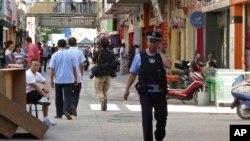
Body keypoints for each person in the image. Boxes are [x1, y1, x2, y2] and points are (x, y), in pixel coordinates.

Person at [123, 31, 172, 141]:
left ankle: (159, 137)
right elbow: (133, 73)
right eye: (151, 41)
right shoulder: (139, 56)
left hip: (160, 94)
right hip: (146, 94)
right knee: (147, 118)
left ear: (159, 43)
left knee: (162, 118)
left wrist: (160, 52)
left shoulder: (162, 56)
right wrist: (127, 89)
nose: (153, 44)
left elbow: (169, 65)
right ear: (147, 41)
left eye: (156, 42)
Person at [49, 39, 78, 120]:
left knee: (58, 97)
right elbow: (74, 68)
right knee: (68, 96)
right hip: (69, 79)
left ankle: (59, 114)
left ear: (57, 45)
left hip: (58, 79)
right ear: (66, 45)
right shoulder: (71, 54)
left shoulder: (54, 55)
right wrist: (76, 79)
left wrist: (51, 81)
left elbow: (52, 69)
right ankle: (66, 110)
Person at [26, 59, 56, 126]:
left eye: (38, 65)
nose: (36, 67)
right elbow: (36, 86)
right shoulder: (28, 74)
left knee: (46, 90)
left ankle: (46, 118)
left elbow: (45, 81)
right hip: (27, 94)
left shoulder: (37, 73)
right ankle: (43, 99)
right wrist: (45, 95)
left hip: (34, 92)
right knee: (42, 94)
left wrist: (46, 87)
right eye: (35, 65)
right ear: (30, 65)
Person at [92, 37, 116, 111]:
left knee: (98, 90)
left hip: (99, 74)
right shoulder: (111, 54)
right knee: (105, 91)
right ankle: (103, 105)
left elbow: (93, 61)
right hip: (108, 75)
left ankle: (102, 100)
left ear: (101, 45)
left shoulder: (98, 52)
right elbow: (114, 64)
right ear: (108, 45)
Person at [68, 37, 86, 116]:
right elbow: (82, 65)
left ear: (68, 44)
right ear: (76, 43)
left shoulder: (66, 52)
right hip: (78, 77)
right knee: (76, 94)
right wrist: (81, 73)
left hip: (68, 77)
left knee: (69, 94)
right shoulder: (79, 52)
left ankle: (70, 107)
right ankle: (74, 106)